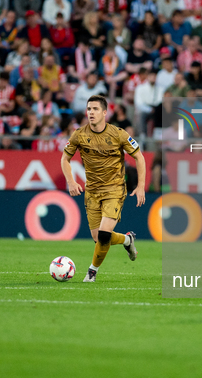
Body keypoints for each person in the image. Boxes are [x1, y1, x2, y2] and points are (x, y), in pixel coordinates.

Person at [60, 95, 146, 282]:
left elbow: (139, 157)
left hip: (114, 189)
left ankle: (92, 271)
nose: (91, 112)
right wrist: (71, 181)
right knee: (98, 239)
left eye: (95, 109)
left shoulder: (118, 134)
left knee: (104, 234)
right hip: (92, 191)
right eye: (89, 109)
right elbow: (64, 158)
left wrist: (141, 186)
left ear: (105, 113)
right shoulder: (79, 135)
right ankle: (127, 240)